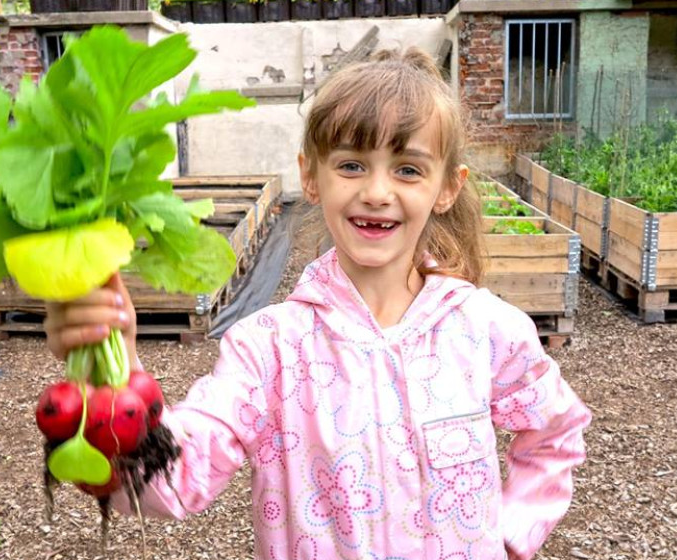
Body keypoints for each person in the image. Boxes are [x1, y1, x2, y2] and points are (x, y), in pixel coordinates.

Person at [44, 48, 592, 560]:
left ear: (447, 187)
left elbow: (555, 433)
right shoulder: (268, 348)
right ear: (311, 176)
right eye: (352, 165)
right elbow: (175, 482)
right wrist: (110, 388)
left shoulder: (485, 329)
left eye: (408, 169)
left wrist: (507, 537)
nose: (377, 191)